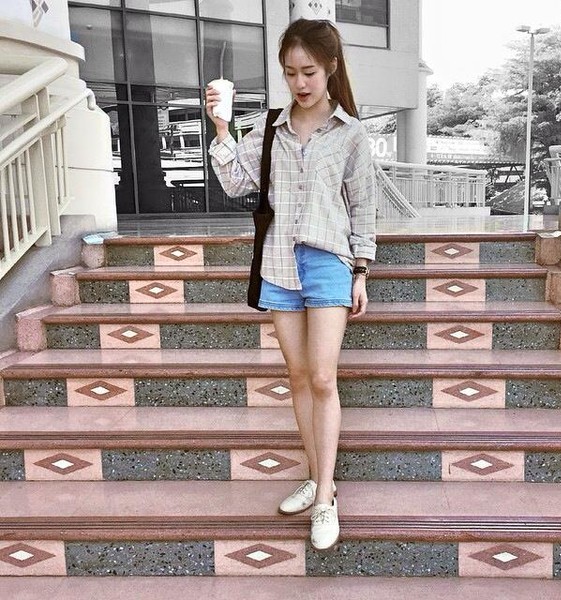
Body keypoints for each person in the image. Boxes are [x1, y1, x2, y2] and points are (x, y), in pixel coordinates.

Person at [206, 18, 376, 552]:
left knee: (323, 378)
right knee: (298, 378)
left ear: (330, 68)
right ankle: (316, 475)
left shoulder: (350, 132)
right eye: (290, 72)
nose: (300, 82)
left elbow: (363, 207)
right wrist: (221, 128)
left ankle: (325, 497)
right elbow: (237, 183)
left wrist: (362, 269)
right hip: (279, 262)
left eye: (309, 71)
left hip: (328, 262)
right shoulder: (270, 127)